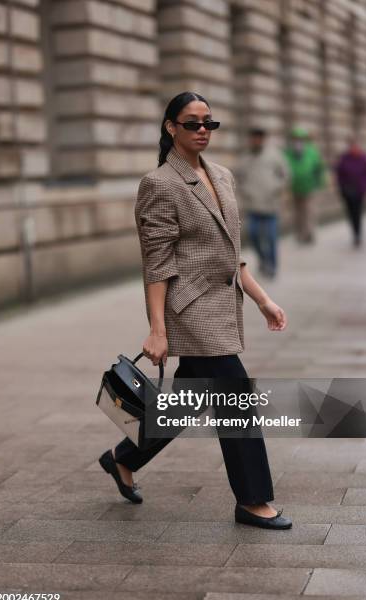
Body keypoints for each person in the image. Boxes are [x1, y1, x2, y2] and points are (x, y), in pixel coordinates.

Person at [99, 91, 292, 530]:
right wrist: (157, 329)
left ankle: (121, 458)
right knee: (235, 395)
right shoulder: (159, 184)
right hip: (192, 311)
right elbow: (157, 263)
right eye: (192, 123)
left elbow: (230, 252)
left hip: (226, 304)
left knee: (186, 402)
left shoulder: (222, 175)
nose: (203, 129)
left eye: (209, 122)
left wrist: (263, 299)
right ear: (171, 128)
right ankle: (253, 499)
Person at [234, 128, 290, 278]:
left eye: (259, 138)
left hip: (271, 205)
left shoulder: (275, 156)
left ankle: (272, 266)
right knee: (253, 236)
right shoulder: (245, 158)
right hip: (253, 205)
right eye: (253, 138)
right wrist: (245, 191)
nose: (256, 141)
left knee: (271, 238)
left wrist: (276, 187)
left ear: (263, 139)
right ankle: (263, 260)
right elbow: (237, 178)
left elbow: (286, 174)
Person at [285, 126, 325, 244]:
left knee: (308, 211)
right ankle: (300, 233)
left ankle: (309, 233)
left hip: (309, 187)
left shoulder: (312, 152)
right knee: (297, 212)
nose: (297, 142)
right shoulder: (289, 153)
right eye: (295, 139)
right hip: (295, 187)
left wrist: (319, 182)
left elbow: (319, 168)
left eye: (300, 139)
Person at [335, 138, 366, 247]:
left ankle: (358, 234)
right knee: (351, 213)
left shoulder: (364, 158)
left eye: (356, 146)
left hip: (360, 191)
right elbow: (339, 174)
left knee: (358, 213)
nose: (354, 148)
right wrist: (342, 187)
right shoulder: (344, 158)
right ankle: (355, 233)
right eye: (352, 146)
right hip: (348, 191)